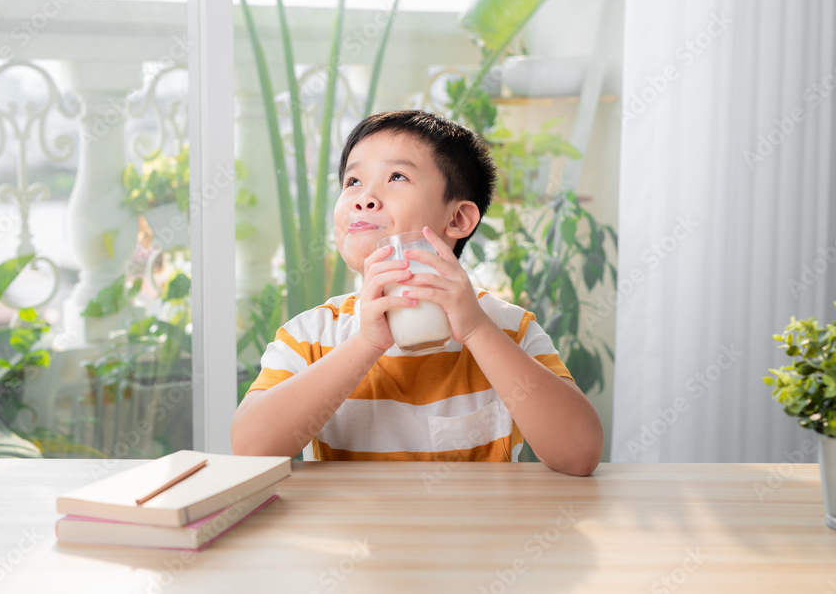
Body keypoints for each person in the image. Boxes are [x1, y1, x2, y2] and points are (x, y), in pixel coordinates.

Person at [230, 110, 602, 476]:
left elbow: (578, 455)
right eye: (353, 181)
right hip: (351, 534)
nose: (364, 198)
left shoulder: (507, 330)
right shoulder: (309, 338)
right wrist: (366, 343)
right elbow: (251, 449)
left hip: (476, 536)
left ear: (457, 219)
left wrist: (477, 331)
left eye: (396, 176)